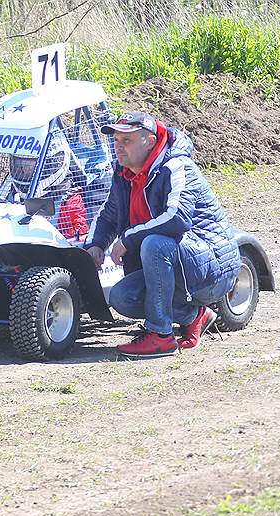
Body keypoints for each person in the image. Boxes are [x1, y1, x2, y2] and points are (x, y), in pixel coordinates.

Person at [85, 111, 241, 357]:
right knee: (121, 297)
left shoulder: (176, 165)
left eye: (127, 141)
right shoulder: (123, 172)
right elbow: (108, 213)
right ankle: (194, 315)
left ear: (149, 140)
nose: (119, 147)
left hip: (211, 271)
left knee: (154, 244)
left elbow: (177, 219)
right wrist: (95, 245)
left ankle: (160, 335)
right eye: (116, 141)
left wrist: (127, 239)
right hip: (180, 265)